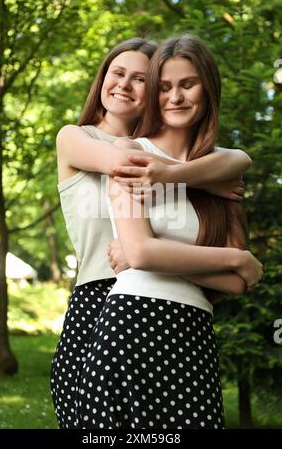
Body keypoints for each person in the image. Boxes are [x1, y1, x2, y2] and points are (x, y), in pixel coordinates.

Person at [51, 37, 255, 429]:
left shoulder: (181, 160)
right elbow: (129, 164)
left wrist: (189, 175)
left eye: (141, 79)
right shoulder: (79, 138)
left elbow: (238, 158)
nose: (125, 85)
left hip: (164, 295)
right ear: (102, 79)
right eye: (117, 73)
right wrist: (198, 180)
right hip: (96, 296)